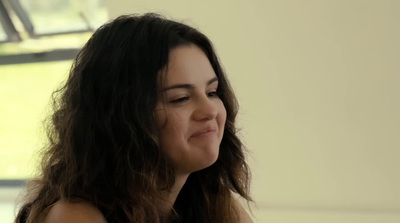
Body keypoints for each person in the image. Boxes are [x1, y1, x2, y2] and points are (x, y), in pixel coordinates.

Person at [15, 13, 252, 223]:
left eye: (212, 92)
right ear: (121, 118)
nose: (210, 110)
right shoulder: (75, 217)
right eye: (180, 98)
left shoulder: (216, 205)